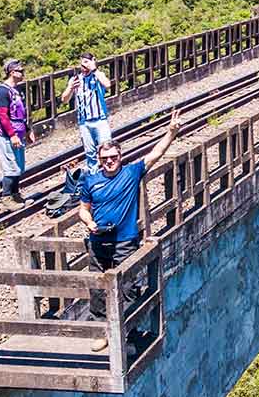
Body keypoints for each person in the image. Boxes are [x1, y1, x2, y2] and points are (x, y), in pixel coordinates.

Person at [78, 108, 183, 319]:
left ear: (120, 156)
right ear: (99, 159)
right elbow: (83, 210)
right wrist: (89, 223)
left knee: (128, 288)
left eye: (113, 157)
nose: (109, 161)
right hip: (98, 241)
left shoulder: (131, 173)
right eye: (105, 158)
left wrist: (171, 133)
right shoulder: (90, 181)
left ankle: (127, 333)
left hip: (125, 241)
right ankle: (103, 331)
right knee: (97, 290)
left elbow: (156, 154)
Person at [59, 52, 113, 173]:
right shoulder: (75, 79)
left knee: (107, 149)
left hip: (100, 119)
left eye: (86, 62)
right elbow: (64, 100)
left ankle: (110, 173)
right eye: (82, 63)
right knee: (90, 153)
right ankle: (94, 176)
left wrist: (94, 69)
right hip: (84, 122)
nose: (84, 66)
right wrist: (70, 88)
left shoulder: (98, 76)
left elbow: (108, 84)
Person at [0, 58, 36, 206]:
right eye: (20, 71)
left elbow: (20, 113)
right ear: (12, 72)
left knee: (19, 166)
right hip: (6, 135)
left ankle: (16, 195)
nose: (23, 73)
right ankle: (7, 198)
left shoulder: (16, 90)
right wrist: (11, 135)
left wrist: (28, 130)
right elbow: (2, 115)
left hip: (18, 132)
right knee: (10, 167)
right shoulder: (2, 92)